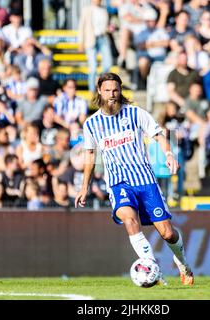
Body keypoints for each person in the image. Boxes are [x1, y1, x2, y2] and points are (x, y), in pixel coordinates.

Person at [75, 73, 194, 285]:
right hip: (118, 183)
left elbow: (158, 135)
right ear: (99, 92)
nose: (112, 95)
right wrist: (85, 187)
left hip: (145, 181)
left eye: (115, 90)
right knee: (130, 220)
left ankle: (183, 264)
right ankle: (151, 267)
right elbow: (90, 156)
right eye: (107, 90)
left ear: (120, 91)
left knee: (167, 233)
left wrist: (168, 154)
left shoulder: (135, 114)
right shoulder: (92, 124)